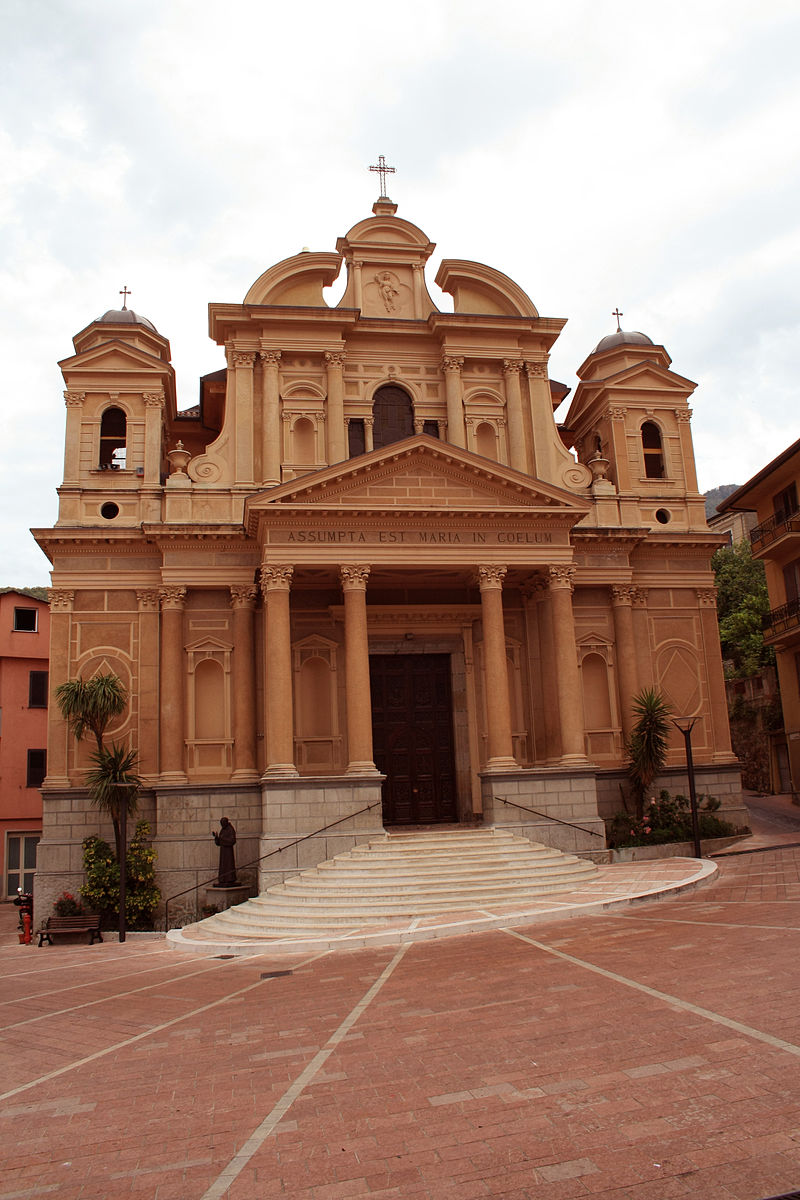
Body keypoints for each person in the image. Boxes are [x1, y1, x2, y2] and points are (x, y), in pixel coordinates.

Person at [212, 817, 237, 886]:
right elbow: (219, 842)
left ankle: (230, 879)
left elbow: (232, 841)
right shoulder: (223, 829)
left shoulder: (230, 829)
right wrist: (216, 838)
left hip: (228, 852)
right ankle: (223, 879)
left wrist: (222, 838)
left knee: (229, 865)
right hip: (223, 851)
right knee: (223, 865)